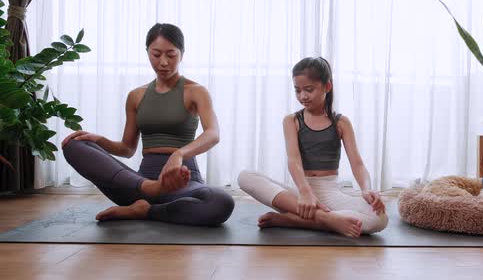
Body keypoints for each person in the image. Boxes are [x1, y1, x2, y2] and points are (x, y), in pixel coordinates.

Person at [61, 23, 234, 226]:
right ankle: (150, 190)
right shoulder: (136, 96)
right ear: (147, 53)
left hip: (181, 183)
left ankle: (146, 210)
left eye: (171, 55)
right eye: (156, 54)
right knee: (74, 144)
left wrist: (178, 155)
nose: (163, 62)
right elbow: (126, 149)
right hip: (138, 184)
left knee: (221, 202)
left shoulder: (196, 91)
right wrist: (98, 140)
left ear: (182, 54)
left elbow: (213, 134)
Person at [238, 57, 388, 237]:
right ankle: (327, 219)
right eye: (297, 90)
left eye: (309, 89)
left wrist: (366, 189)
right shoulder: (292, 120)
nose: (303, 96)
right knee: (245, 176)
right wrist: (304, 192)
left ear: (327, 87)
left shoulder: (341, 122)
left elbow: (358, 164)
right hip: (299, 194)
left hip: (331, 194)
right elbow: (294, 160)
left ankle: (293, 220)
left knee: (380, 218)